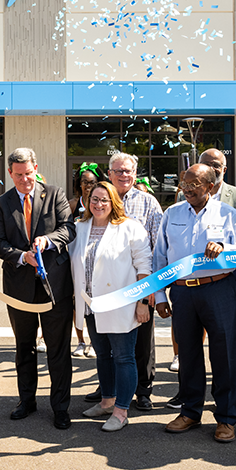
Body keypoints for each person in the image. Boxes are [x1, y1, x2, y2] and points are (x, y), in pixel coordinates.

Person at [154, 164, 236, 443]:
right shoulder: (171, 213)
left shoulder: (227, 214)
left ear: (210, 187)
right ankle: (190, 411)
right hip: (182, 292)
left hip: (218, 289)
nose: (186, 190)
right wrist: (160, 296)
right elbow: (160, 257)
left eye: (193, 185)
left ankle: (225, 418)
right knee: (187, 355)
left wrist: (226, 248)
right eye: (183, 184)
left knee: (224, 355)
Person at [0, 147, 76, 430]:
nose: (25, 180)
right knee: (24, 347)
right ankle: (26, 401)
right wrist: (20, 255)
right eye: (18, 176)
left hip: (55, 286)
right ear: (10, 174)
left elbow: (69, 229)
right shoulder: (1, 204)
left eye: (29, 173)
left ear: (36, 168)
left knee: (58, 349)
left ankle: (61, 407)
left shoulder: (54, 194)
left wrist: (48, 241)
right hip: (20, 288)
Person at [80, 153, 164, 412]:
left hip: (133, 291)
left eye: (127, 171)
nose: (123, 175)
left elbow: (156, 249)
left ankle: (141, 392)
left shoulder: (146, 204)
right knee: (105, 352)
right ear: (109, 173)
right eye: (117, 171)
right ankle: (109, 394)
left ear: (135, 173)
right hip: (96, 301)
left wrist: (149, 293)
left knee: (138, 347)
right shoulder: (86, 218)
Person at [71, 182, 153, 432]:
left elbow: (144, 267)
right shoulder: (79, 228)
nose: (98, 204)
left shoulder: (130, 227)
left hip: (122, 305)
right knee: (102, 356)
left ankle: (121, 411)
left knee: (123, 357)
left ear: (114, 202)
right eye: (94, 199)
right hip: (91, 306)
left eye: (104, 200)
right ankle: (107, 400)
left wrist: (142, 302)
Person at [67, 162, 105, 358]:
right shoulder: (73, 205)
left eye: (92, 182)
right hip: (77, 259)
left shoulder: (102, 204)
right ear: (79, 184)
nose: (88, 186)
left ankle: (93, 341)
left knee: (96, 302)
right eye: (84, 182)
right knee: (77, 304)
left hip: (97, 262)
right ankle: (80, 341)